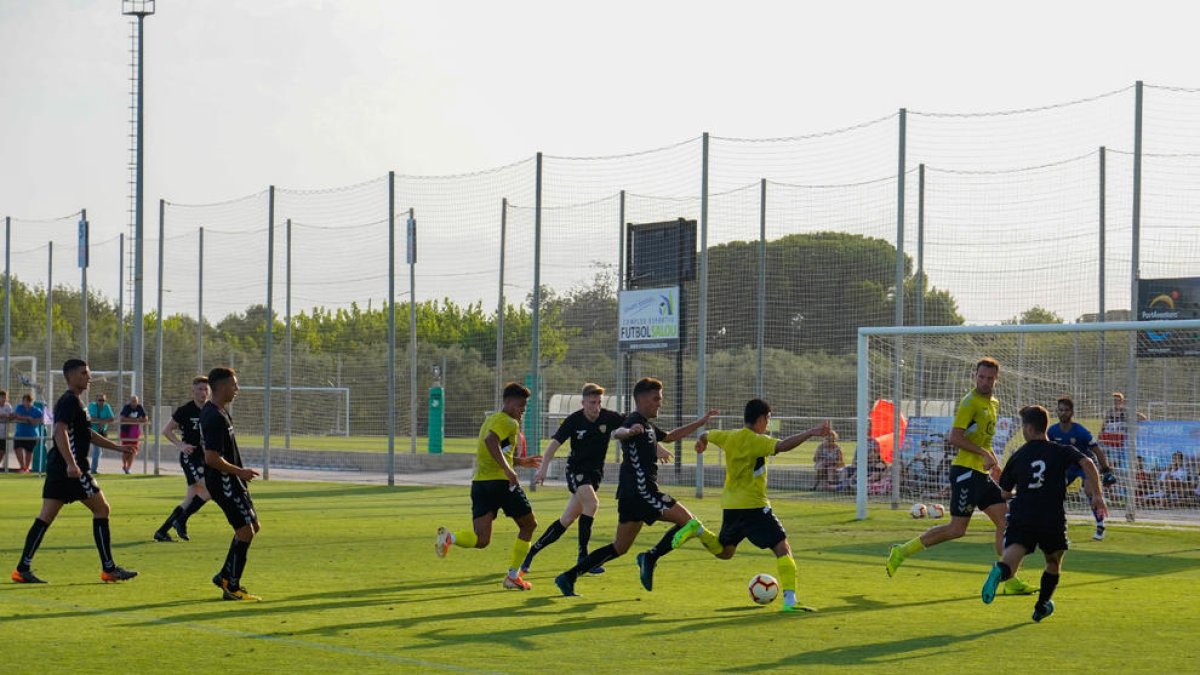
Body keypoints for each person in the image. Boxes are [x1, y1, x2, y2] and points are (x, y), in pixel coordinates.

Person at [554, 377, 718, 597]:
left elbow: (669, 437)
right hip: (643, 492)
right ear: (641, 400)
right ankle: (650, 557)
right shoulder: (633, 420)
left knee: (619, 548)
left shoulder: (647, 425)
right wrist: (629, 432)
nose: (660, 402)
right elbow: (618, 432)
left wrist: (701, 422)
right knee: (689, 523)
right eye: (656, 398)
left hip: (631, 495)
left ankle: (568, 577)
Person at [885, 358, 1037, 595]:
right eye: (981, 377)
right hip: (966, 472)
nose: (984, 382)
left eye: (989, 378)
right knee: (957, 529)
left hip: (980, 473)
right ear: (975, 376)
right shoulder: (970, 402)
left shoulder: (993, 403)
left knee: (1005, 521)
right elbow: (954, 437)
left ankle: (1009, 579)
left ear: (997, 379)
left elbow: (983, 441)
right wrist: (982, 454)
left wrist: (993, 462)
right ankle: (902, 551)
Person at [691, 399, 831, 612]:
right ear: (762, 418)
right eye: (769, 418)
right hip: (754, 507)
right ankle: (790, 601)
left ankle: (697, 529)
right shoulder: (757, 441)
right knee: (783, 548)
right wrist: (810, 432)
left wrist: (702, 442)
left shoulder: (729, 436)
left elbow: (707, 434)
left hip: (731, 506)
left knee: (725, 552)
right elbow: (783, 446)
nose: (768, 423)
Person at [11, 359, 137, 584]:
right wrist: (71, 463)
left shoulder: (78, 403)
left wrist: (118, 447)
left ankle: (22, 568)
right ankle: (109, 569)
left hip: (63, 469)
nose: (88, 377)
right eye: (84, 373)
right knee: (102, 509)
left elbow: (87, 433)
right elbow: (59, 431)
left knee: (46, 516)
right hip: (72, 470)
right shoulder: (69, 401)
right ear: (71, 376)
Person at [981, 404, 1108, 622]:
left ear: (1029, 429)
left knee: (1011, 561)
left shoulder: (1018, 455)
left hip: (1023, 515)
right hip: (1051, 515)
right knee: (1053, 562)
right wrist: (1097, 495)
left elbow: (1004, 493)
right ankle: (1041, 606)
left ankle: (999, 572)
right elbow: (1087, 462)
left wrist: (1014, 490)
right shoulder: (1060, 450)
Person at [435, 383, 544, 590]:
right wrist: (510, 470)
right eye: (521, 406)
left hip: (480, 485)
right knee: (529, 525)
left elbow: (494, 450)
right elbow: (490, 441)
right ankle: (513, 576)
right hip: (500, 484)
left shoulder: (491, 420)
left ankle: (451, 537)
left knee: (481, 539)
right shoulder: (508, 422)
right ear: (509, 402)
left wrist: (519, 462)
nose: (523, 410)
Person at [523, 383, 626, 575]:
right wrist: (543, 468)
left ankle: (531, 553)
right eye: (592, 403)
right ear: (583, 403)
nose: (595, 407)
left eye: (598, 402)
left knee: (567, 519)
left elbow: (632, 423)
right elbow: (554, 444)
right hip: (575, 471)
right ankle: (584, 559)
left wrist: (658, 445)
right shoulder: (574, 420)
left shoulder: (608, 417)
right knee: (593, 503)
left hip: (595, 475)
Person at [202, 366, 261, 601]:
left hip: (233, 480)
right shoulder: (213, 416)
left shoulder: (221, 412)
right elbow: (211, 458)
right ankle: (232, 586)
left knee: (253, 527)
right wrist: (240, 471)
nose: (237, 389)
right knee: (245, 531)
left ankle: (225, 575)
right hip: (224, 481)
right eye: (234, 384)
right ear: (222, 386)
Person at [1047, 395, 1117, 541]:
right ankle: (1055, 525)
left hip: (1085, 466)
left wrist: (1106, 470)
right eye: (1060, 410)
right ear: (1057, 411)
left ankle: (1100, 525)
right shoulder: (1052, 431)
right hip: (1066, 468)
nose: (1063, 413)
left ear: (1072, 412)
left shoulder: (1081, 432)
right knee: (1053, 492)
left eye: (1066, 410)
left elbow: (1097, 450)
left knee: (1090, 492)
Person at [153, 376, 212, 542]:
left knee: (190, 498)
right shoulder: (186, 410)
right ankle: (182, 520)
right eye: (200, 389)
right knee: (210, 489)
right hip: (190, 457)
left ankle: (163, 531)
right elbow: (167, 430)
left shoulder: (211, 409)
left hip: (204, 458)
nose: (203, 392)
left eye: (206, 389)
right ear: (193, 391)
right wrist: (181, 445)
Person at [118, 394, 149, 474]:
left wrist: (135, 420)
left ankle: (128, 468)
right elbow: (122, 418)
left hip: (135, 432)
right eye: (132, 401)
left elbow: (145, 418)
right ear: (130, 401)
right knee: (126, 450)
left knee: (133, 450)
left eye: (135, 401)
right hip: (125, 431)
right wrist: (136, 420)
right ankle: (124, 465)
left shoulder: (139, 407)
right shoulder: (126, 407)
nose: (134, 403)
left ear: (137, 401)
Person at [12, 393, 42, 474]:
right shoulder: (19, 407)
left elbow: (42, 419)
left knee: (29, 452)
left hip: (32, 435)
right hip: (19, 434)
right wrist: (28, 419)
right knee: (17, 449)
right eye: (24, 401)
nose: (25, 403)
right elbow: (16, 416)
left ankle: (26, 469)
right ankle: (22, 467)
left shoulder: (36, 410)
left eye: (28, 401)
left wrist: (35, 421)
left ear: (31, 402)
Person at [87, 393, 116, 473]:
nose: (101, 402)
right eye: (100, 400)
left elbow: (112, 418)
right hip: (92, 431)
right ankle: (93, 470)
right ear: (96, 401)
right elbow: (90, 418)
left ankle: (92, 468)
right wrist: (101, 421)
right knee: (97, 451)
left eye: (103, 400)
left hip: (102, 432)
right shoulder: (92, 406)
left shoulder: (107, 406)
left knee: (100, 451)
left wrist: (101, 422)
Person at [0, 390, 12, 471]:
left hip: (3, 433)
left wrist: (8, 416)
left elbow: (12, 416)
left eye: (4, 397)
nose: (2, 399)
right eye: (1, 397)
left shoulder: (8, 406)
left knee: (2, 451)